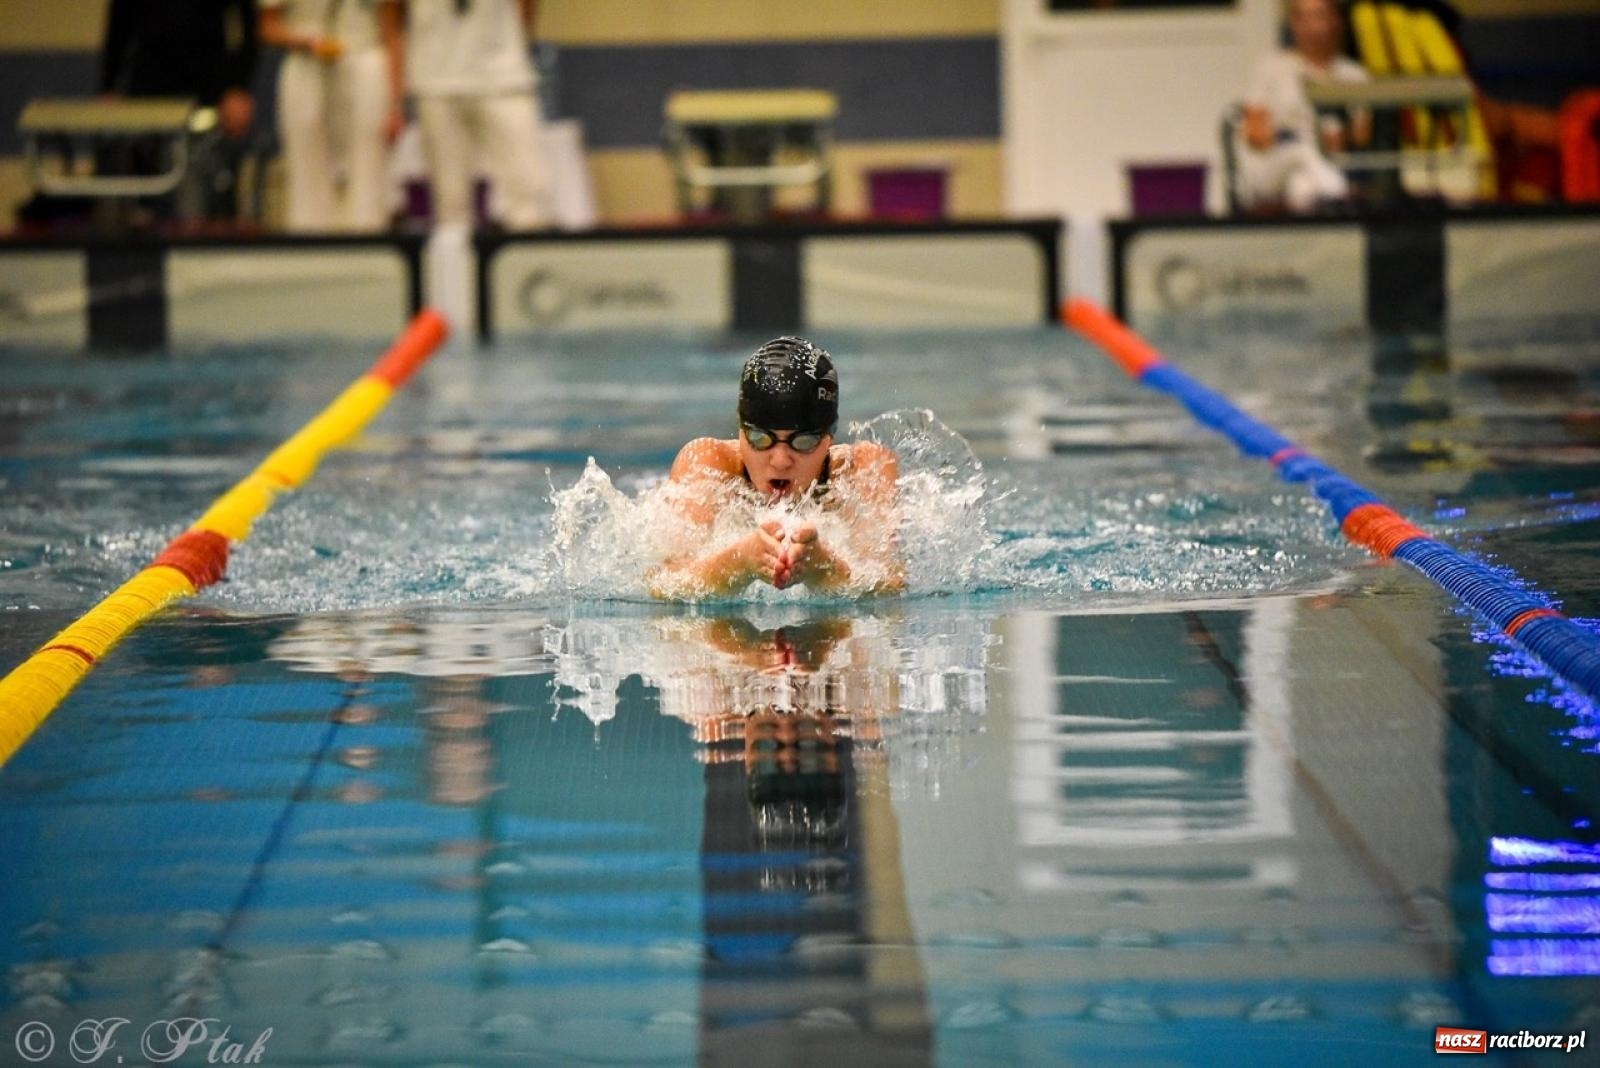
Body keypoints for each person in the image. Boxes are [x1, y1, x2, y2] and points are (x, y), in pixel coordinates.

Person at [650, 337, 903, 598]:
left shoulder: (864, 470)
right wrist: (739, 562)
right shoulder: (707, 465)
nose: (781, 460)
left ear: (829, 438)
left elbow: (888, 586)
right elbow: (668, 585)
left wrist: (824, 569)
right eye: (761, 439)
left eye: (803, 441)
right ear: (741, 432)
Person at [390, 0, 551, 229]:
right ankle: (456, 263)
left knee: (530, 188)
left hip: (504, 75)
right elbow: (394, 14)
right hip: (435, 80)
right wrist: (396, 99)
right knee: (451, 202)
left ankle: (525, 261)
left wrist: (518, 45)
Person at [99, 0, 261, 221]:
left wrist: (239, 86)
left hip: (209, 89)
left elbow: (248, 24)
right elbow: (119, 22)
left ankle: (204, 234)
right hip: (149, 89)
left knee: (203, 188)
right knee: (143, 186)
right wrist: (109, 86)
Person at [259, 0, 405, 231]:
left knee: (368, 166)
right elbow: (268, 26)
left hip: (365, 62)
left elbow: (392, 29)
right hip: (307, 65)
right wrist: (306, 40)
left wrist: (396, 104)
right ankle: (311, 246)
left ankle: (368, 244)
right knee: (307, 169)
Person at [1238, 0, 1371, 212]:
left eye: (1321, 16)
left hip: (1331, 163)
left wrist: (1334, 139)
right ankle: (1336, 195)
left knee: (1302, 185)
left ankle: (1314, 233)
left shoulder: (1354, 75)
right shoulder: (1271, 68)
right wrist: (1294, 137)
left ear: (1336, 20)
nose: (1315, 26)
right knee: (1302, 149)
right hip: (1273, 164)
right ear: (1293, 22)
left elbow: (1362, 134)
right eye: (1305, 17)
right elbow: (1254, 132)